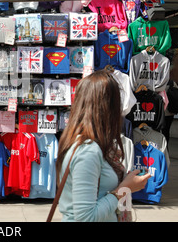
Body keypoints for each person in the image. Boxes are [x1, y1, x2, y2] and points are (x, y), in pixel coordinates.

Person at [55, 70, 151, 222]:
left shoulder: (90, 145)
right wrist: (124, 189)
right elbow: (86, 217)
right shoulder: (87, 151)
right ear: (109, 107)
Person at [163, 42, 178, 144]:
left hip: (166, 112)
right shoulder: (171, 79)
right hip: (168, 112)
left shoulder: (166, 78)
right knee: (165, 133)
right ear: (175, 59)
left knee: (164, 133)